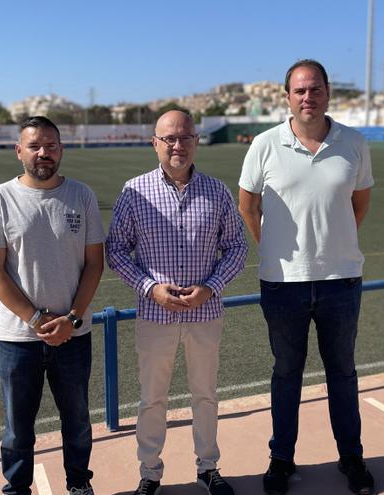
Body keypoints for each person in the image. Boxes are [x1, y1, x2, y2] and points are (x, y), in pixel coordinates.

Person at [237, 60, 376, 495]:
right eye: (299, 91)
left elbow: (359, 204)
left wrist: (332, 246)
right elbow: (247, 206)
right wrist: (274, 249)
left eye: (314, 89)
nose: (307, 97)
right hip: (282, 284)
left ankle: (351, 457)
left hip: (341, 281)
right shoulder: (264, 144)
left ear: (328, 92)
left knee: (343, 374)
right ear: (287, 96)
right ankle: (282, 459)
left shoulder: (353, 144)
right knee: (286, 375)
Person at [106, 110, 248, 495]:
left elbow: (237, 247)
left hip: (205, 314)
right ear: (154, 143)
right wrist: (150, 288)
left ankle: (208, 468)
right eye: (168, 138)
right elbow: (116, 250)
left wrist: (211, 287)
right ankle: (150, 472)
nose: (177, 145)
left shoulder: (217, 192)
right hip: (155, 315)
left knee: (205, 394)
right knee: (153, 399)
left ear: (196, 141)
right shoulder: (134, 192)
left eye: (185, 137)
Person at [0, 116, 105, 495]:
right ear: (19, 152)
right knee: (18, 427)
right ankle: (17, 488)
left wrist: (72, 318)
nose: (43, 153)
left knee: (78, 420)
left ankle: (79, 484)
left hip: (73, 335)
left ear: (61, 150)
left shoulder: (81, 195)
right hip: (18, 338)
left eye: (50, 145)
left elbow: (95, 263)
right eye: (34, 146)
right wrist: (34, 318)